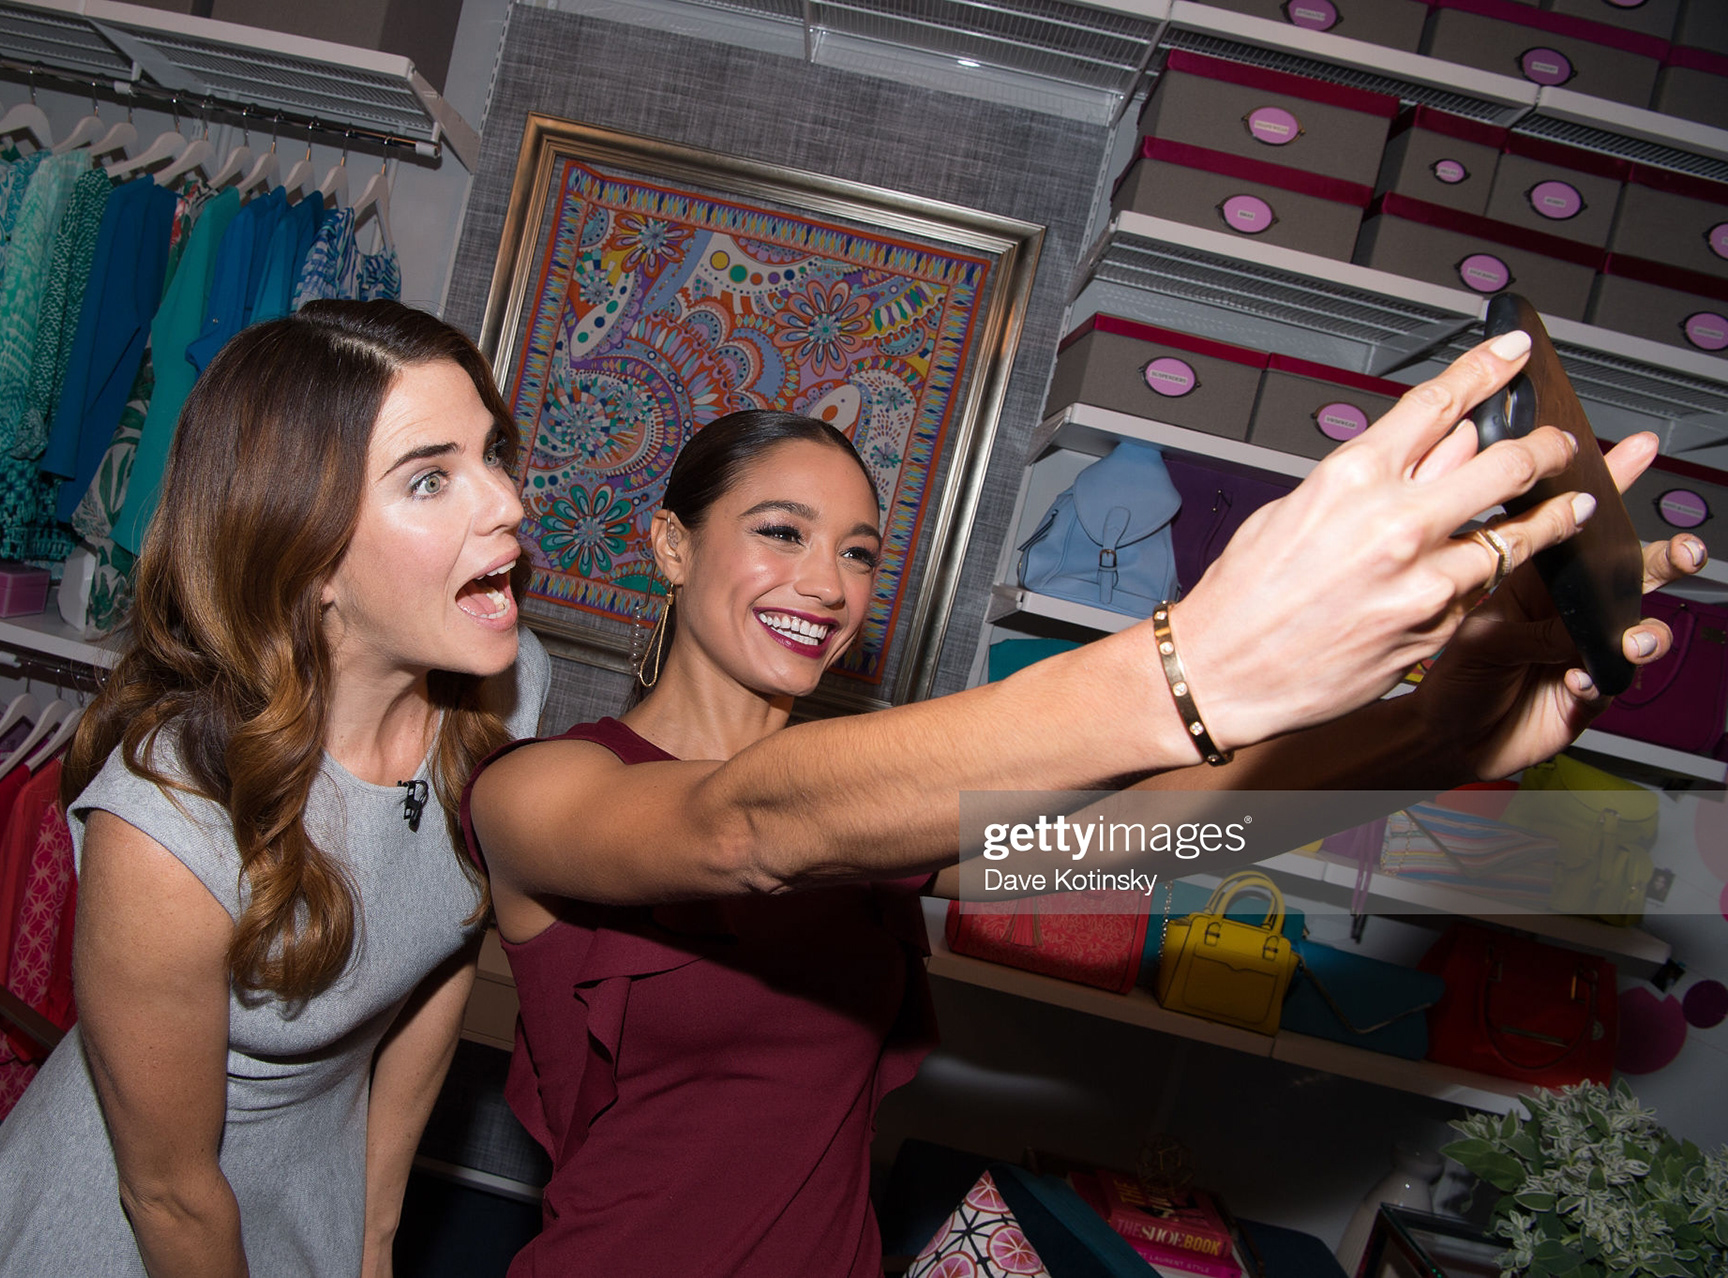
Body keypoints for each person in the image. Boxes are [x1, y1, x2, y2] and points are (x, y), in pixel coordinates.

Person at [462, 332, 1707, 1275]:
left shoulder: (883, 803)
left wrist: (1434, 736)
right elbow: (744, 831)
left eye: (858, 551)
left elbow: (1140, 844)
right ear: (672, 546)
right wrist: (1195, 663)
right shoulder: (545, 791)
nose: (826, 583)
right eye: (780, 532)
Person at [0, 301, 549, 1278]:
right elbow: (170, 1195)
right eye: (431, 477)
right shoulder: (169, 824)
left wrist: (376, 1237)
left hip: (315, 1194)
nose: (507, 502)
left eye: (494, 453)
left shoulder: (506, 693)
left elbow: (438, 955)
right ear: (305, 554)